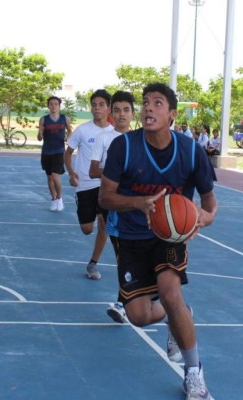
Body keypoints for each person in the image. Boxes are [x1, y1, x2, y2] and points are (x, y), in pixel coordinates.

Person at [99, 83, 217, 399]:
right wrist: (138, 203)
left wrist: (203, 218)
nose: (149, 107)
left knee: (169, 291)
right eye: (146, 102)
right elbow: (105, 197)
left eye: (158, 103)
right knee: (138, 315)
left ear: (172, 114)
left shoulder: (190, 150)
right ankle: (177, 316)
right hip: (131, 234)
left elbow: (210, 202)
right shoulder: (124, 146)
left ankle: (194, 372)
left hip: (170, 235)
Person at [89, 90, 135, 324]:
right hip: (112, 203)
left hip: (135, 205)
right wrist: (118, 175)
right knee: (122, 254)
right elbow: (92, 170)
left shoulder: (140, 139)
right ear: (111, 112)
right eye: (117, 110)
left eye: (126, 110)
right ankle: (123, 302)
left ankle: (127, 301)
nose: (121, 114)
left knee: (132, 254)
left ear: (133, 113)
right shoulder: (104, 138)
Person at [64, 89, 114, 280]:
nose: (97, 108)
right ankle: (85, 209)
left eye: (101, 105)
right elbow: (68, 153)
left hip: (105, 185)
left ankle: (93, 263)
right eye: (94, 105)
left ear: (108, 108)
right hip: (84, 185)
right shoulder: (83, 130)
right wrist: (71, 172)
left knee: (104, 224)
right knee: (87, 229)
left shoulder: (114, 133)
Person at [38, 96, 72, 212]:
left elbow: (70, 130)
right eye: (51, 104)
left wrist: (68, 137)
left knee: (55, 175)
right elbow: (39, 138)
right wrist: (40, 133)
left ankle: (60, 198)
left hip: (59, 151)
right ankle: (53, 199)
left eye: (56, 104)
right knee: (49, 177)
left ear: (59, 106)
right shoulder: (43, 119)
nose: (53, 106)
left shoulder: (64, 118)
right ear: (48, 106)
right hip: (46, 151)